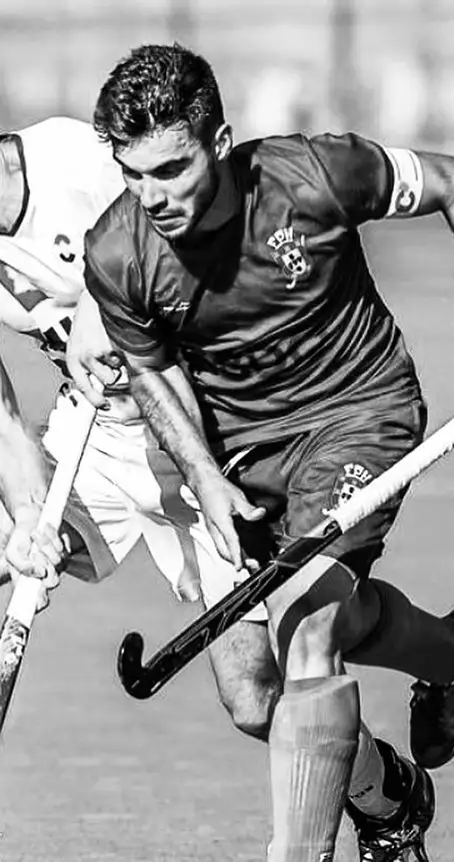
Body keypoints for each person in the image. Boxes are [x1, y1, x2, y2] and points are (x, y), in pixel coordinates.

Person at [83, 43, 454, 862]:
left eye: (171, 170)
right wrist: (203, 477)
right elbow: (154, 374)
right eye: (133, 175)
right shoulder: (117, 252)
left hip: (358, 414)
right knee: (251, 696)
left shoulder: (314, 174)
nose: (152, 196)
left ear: (219, 142)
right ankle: (451, 653)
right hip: (236, 456)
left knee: (308, 628)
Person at [0, 115, 279, 735]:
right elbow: (3, 418)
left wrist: (107, 297)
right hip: (95, 437)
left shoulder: (73, 159)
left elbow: (182, 219)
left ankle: (388, 793)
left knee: (254, 702)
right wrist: (27, 519)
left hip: (201, 429)